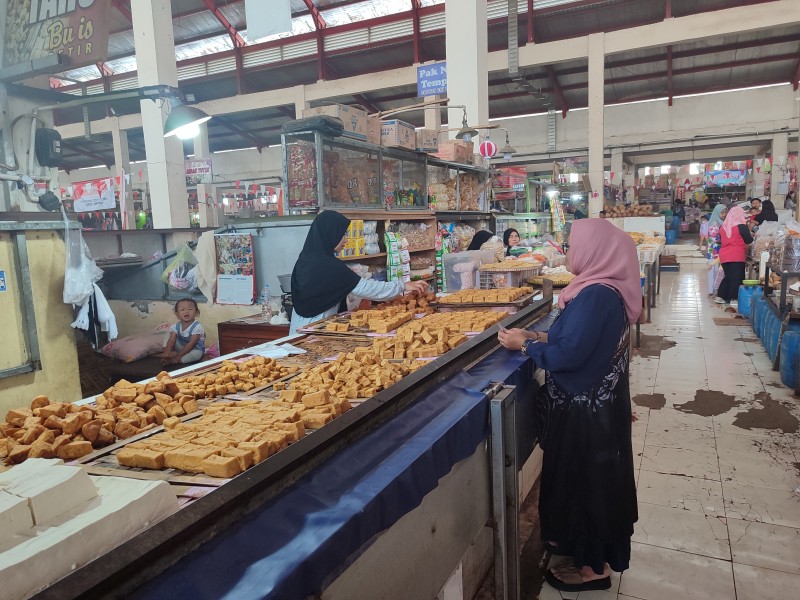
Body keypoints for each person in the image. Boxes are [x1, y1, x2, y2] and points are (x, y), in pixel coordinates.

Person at [498, 219, 640, 593]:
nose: (568, 252)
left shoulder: (596, 296)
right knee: (588, 485)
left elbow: (570, 354)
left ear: (595, 251)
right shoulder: (600, 289)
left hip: (587, 416)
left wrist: (524, 346)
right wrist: (534, 334)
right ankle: (588, 556)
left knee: (587, 487)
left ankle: (594, 570)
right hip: (594, 410)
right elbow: (575, 338)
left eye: (574, 245)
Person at [290, 211, 428, 334]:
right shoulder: (328, 266)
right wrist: (402, 285)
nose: (346, 239)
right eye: (342, 234)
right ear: (330, 234)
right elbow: (366, 288)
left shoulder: (306, 259)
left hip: (298, 326)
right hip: (314, 329)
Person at [715, 206, 753, 305]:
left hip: (724, 255)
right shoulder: (741, 226)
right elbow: (749, 240)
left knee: (728, 276)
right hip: (736, 254)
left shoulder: (722, 227)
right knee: (737, 277)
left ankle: (721, 296)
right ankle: (734, 298)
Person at [162, 298, 205, 365]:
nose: (186, 312)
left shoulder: (197, 326)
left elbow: (192, 343)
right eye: (182, 309)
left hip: (194, 349)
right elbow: (171, 340)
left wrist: (178, 356)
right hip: (181, 347)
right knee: (168, 334)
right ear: (177, 314)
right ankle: (168, 354)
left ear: (196, 313)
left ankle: (177, 359)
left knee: (194, 355)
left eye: (190, 309)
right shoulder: (175, 326)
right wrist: (168, 351)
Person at [706, 204, 727, 296]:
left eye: (725, 212)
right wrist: (725, 239)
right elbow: (713, 236)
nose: (724, 214)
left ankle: (716, 289)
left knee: (718, 271)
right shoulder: (714, 222)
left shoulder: (721, 222)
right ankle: (711, 290)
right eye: (722, 213)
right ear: (717, 212)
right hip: (713, 250)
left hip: (719, 249)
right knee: (712, 270)